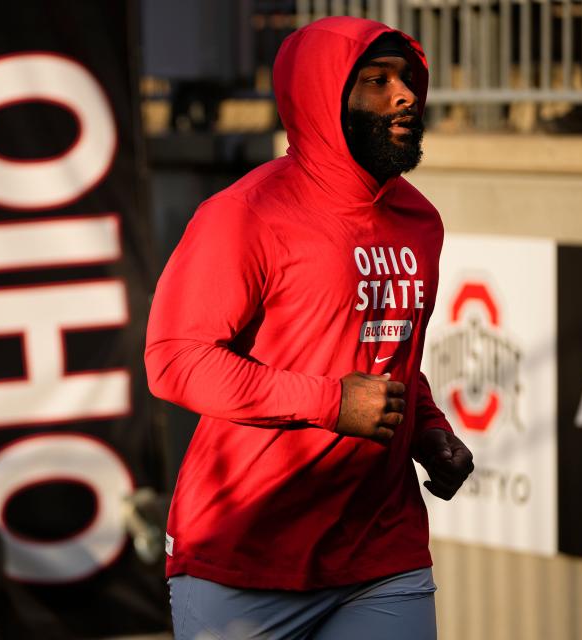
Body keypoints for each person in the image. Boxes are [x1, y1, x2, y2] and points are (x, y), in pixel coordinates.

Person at [145, 16, 474, 640]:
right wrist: (330, 403)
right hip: (243, 555)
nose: (405, 95)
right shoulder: (246, 213)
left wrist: (428, 430)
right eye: (376, 81)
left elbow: (389, 352)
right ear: (323, 98)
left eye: (408, 79)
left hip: (381, 548)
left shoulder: (419, 219)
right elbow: (173, 360)